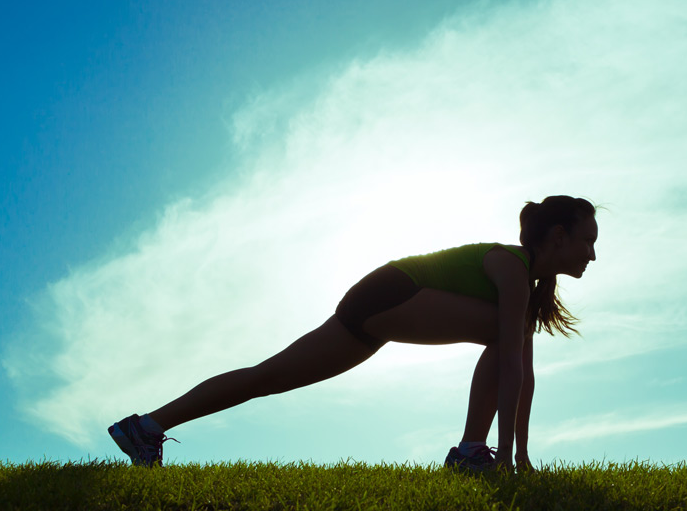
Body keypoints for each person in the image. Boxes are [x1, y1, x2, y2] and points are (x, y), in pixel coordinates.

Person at [108, 195, 600, 472]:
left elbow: (524, 378)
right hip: (390, 293)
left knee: (268, 376)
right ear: (558, 236)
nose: (592, 255)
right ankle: (472, 453)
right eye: (587, 241)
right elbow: (511, 364)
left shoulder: (527, 288)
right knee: (506, 332)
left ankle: (146, 428)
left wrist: (522, 455)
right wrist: (512, 460)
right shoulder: (512, 268)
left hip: (374, 304)